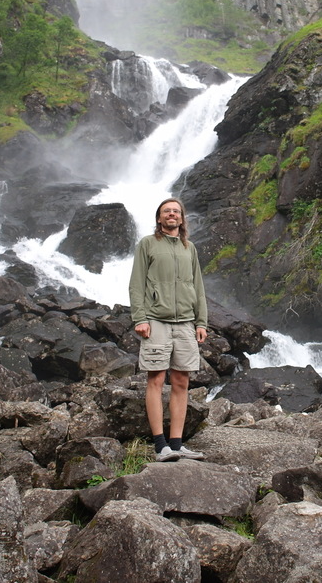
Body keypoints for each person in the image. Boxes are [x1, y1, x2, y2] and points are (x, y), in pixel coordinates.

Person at [128, 197, 208, 461]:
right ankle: (159, 445)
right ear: (159, 218)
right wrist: (140, 318)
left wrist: (201, 322)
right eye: (166, 211)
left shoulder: (189, 248)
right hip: (156, 320)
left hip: (185, 322)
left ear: (182, 218)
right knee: (156, 379)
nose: (171, 214)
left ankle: (176, 444)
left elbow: (198, 287)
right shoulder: (147, 244)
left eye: (176, 211)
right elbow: (137, 283)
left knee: (182, 381)